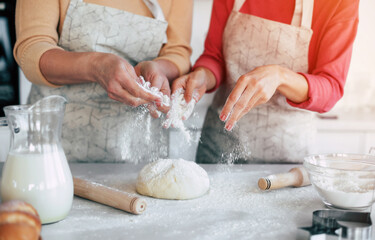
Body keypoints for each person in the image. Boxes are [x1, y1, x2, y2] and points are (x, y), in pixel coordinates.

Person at [172, 0, 359, 163]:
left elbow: (331, 87)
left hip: (286, 155)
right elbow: (215, 56)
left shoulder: (339, 2)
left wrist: (280, 77)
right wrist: (203, 76)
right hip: (220, 145)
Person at [13, 0, 192, 162]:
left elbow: (178, 52)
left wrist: (159, 69)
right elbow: (31, 49)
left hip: (139, 148)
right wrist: (95, 66)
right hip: (53, 146)